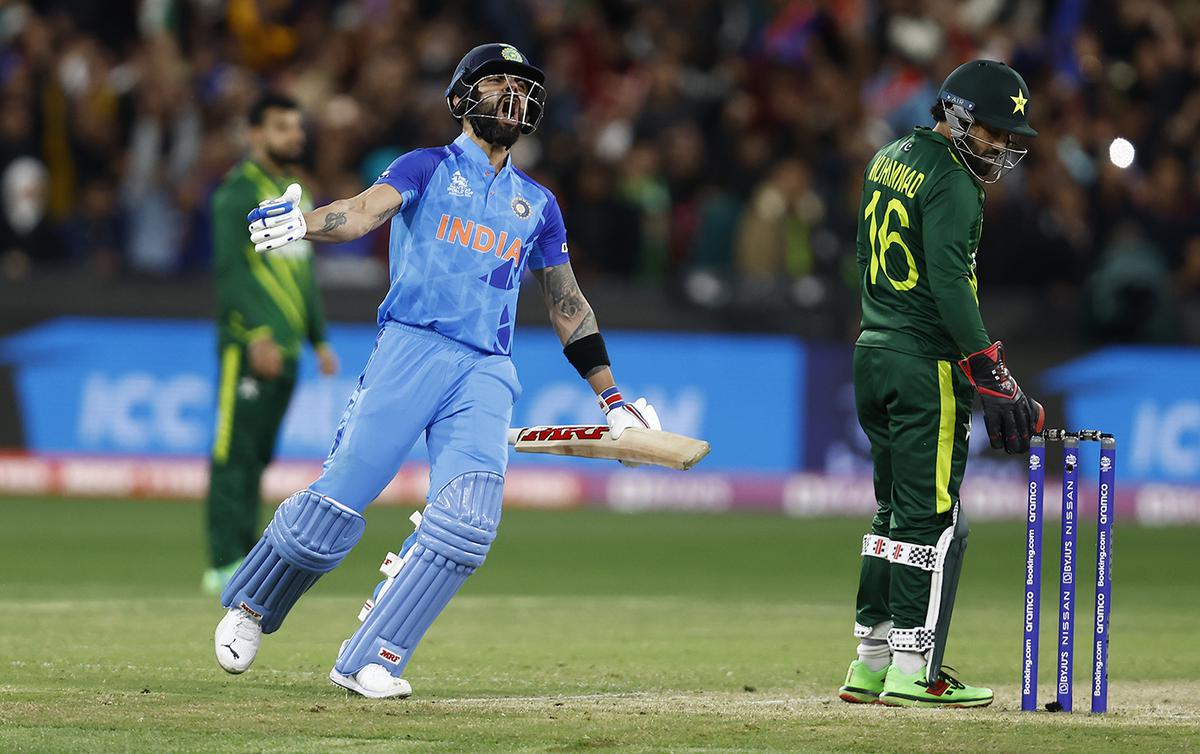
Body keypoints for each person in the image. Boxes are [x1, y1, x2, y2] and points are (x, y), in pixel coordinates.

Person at [212, 43, 661, 698]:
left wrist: (612, 399)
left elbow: (567, 304)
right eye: (497, 83)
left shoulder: (537, 204)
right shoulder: (425, 166)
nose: (512, 95)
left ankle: (374, 657)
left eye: (522, 86)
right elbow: (363, 211)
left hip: (485, 368)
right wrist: (303, 224)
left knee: (469, 522)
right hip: (411, 348)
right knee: (337, 503)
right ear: (461, 97)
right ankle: (252, 606)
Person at [838, 60, 1045, 708]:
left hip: (872, 349)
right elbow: (952, 285)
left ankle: (869, 663)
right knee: (933, 518)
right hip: (926, 362)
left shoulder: (889, 155)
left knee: (890, 512)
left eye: (1008, 136)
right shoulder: (955, 182)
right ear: (954, 115)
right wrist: (989, 370)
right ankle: (913, 667)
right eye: (991, 132)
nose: (1001, 147)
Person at [202, 93, 339, 595]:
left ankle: (239, 556)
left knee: (258, 456)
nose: (295, 136)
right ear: (254, 133)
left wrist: (318, 339)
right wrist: (255, 334)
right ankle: (221, 560)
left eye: (297, 126)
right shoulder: (238, 194)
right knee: (232, 453)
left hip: (288, 348)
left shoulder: (293, 195)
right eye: (282, 127)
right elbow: (231, 273)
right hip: (249, 347)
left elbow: (303, 272)